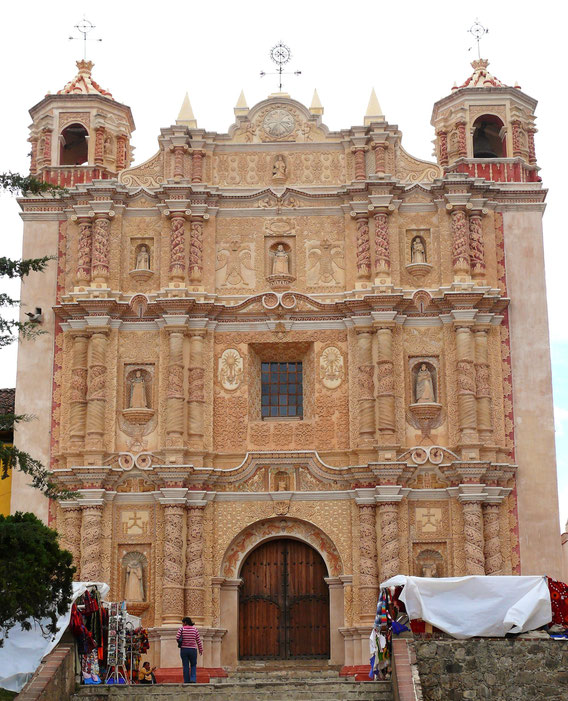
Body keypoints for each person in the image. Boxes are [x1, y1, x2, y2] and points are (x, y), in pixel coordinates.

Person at [176, 617, 203, 683]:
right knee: (193, 665)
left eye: (183, 622)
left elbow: (177, 637)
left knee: (185, 665)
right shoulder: (195, 629)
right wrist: (200, 649)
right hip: (193, 650)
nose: (182, 624)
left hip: (184, 649)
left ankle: (186, 680)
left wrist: (182, 642)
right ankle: (193, 679)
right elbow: (198, 640)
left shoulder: (181, 629)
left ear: (185, 622)